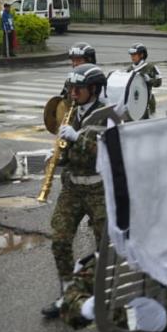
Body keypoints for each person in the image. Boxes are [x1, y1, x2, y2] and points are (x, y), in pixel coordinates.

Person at [43, 64, 117, 318]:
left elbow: (109, 150)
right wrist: (56, 156)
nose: (72, 93)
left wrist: (78, 138)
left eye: (78, 89)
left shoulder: (108, 114)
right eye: (71, 88)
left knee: (105, 245)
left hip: (99, 188)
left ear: (94, 90)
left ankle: (104, 293)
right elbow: (65, 144)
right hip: (73, 186)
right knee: (60, 240)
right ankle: (67, 294)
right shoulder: (70, 110)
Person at [128, 43, 162, 118]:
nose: (132, 57)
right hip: (134, 102)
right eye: (131, 55)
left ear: (141, 55)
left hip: (148, 103)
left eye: (134, 55)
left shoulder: (150, 67)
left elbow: (159, 82)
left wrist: (149, 80)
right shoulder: (130, 69)